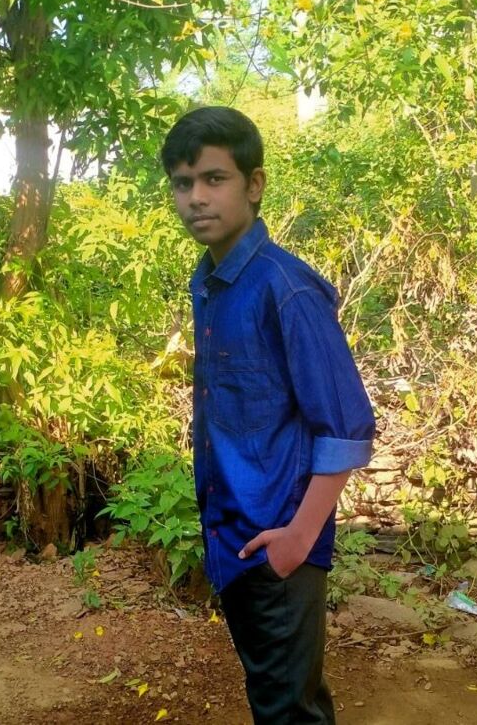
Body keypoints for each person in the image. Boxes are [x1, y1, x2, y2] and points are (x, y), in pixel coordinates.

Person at [160, 106, 376, 725]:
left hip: (279, 542)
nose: (196, 197)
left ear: (254, 184)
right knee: (278, 698)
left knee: (288, 710)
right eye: (182, 183)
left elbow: (345, 427)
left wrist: (297, 540)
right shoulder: (210, 282)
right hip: (233, 536)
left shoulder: (287, 287)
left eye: (214, 178)